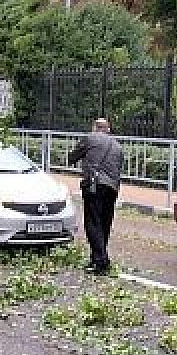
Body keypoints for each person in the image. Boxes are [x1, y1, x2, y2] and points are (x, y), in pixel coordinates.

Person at [69, 117, 123, 275]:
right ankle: (97, 257)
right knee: (105, 224)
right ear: (108, 129)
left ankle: (101, 260)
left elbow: (73, 157)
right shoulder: (118, 146)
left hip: (94, 186)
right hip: (112, 188)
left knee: (93, 223)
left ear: (94, 127)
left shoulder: (89, 138)